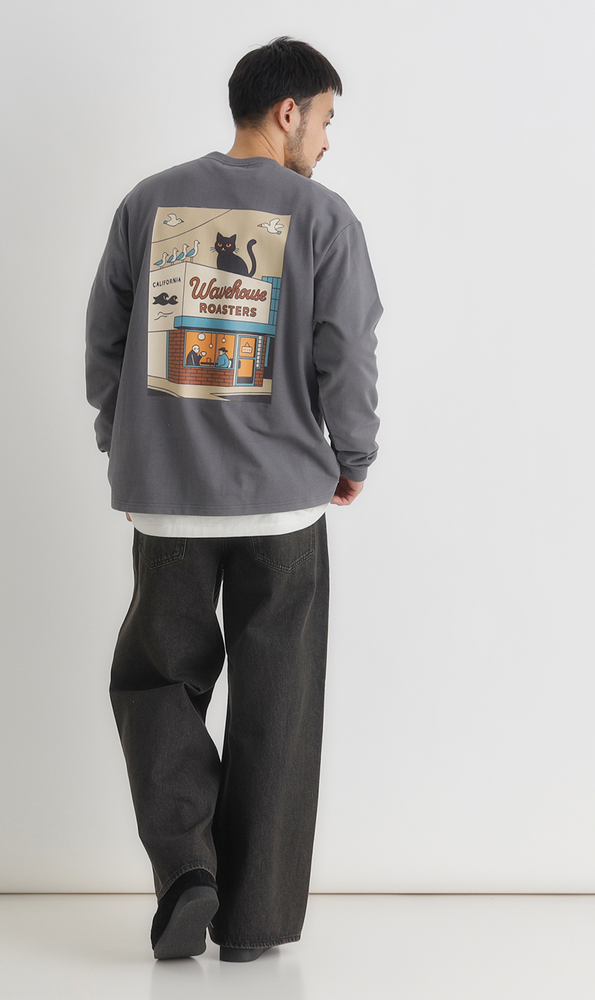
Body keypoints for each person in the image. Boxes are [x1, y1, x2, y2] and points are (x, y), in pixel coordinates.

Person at [85, 36, 383, 963]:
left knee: (157, 680)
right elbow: (347, 350)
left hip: (168, 497)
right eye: (325, 118)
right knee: (278, 704)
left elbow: (105, 339)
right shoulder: (323, 215)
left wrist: (124, 439)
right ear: (288, 112)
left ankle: (187, 868)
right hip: (283, 502)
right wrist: (353, 455)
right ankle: (252, 924)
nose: (327, 139)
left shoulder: (149, 202)